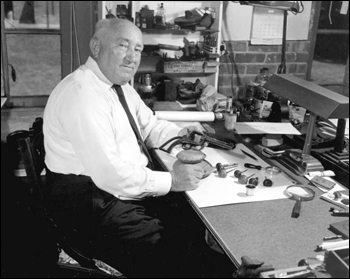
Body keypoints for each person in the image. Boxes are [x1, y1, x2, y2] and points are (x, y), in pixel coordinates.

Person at [43, 18, 234, 278]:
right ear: (96, 47)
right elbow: (110, 174)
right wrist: (173, 179)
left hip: (117, 191)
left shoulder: (119, 86)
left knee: (192, 222)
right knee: (170, 251)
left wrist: (181, 137)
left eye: (138, 49)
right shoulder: (82, 94)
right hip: (90, 201)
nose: (132, 57)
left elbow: (150, 126)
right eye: (123, 45)